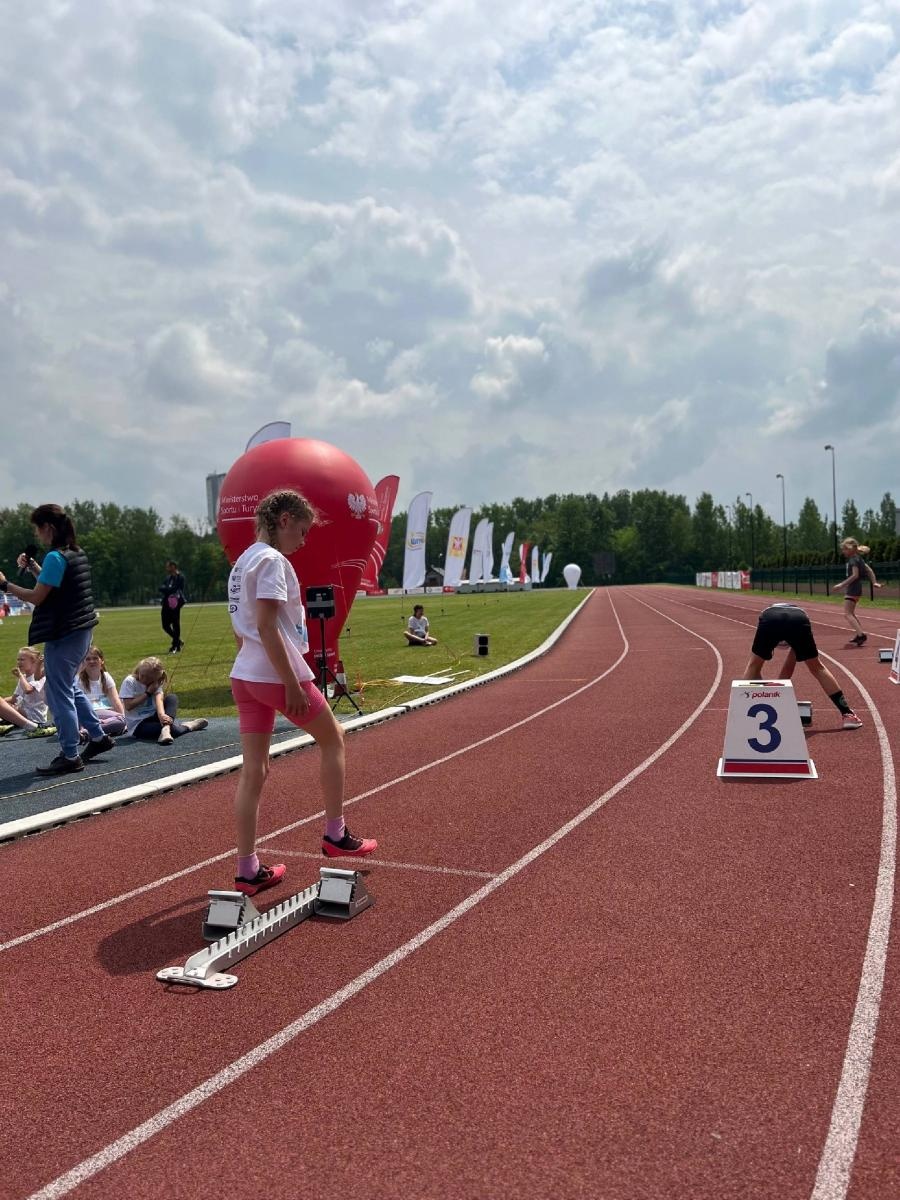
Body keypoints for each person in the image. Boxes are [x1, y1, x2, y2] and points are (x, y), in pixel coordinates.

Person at [227, 488, 377, 897]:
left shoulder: (242, 562)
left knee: (254, 770)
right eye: (303, 531)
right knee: (334, 737)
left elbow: (241, 627)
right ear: (284, 520)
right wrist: (292, 683)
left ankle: (247, 869)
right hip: (275, 674)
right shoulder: (272, 561)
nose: (304, 541)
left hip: (245, 674)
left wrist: (251, 666)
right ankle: (335, 833)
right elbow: (266, 625)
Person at [0, 504, 115, 774]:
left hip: (65, 635)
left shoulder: (56, 556)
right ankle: (98, 737)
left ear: (49, 528)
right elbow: (52, 586)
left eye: (38, 529)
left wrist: (4, 585)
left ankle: (70, 754)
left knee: (58, 694)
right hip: (82, 630)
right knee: (69, 687)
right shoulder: (74, 552)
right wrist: (33, 567)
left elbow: (38, 597)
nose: (37, 535)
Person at [744, 601, 863, 729]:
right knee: (817, 668)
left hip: (771, 618)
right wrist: (776, 695)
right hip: (798, 619)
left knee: (753, 666)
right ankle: (847, 715)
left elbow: (784, 671)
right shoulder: (799, 617)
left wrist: (773, 700)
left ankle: (744, 713)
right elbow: (788, 670)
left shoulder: (767, 614)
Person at [119, 657, 208, 744]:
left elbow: (159, 701)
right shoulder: (129, 681)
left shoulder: (156, 682)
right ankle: (189, 726)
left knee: (172, 698)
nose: (144, 679)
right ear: (139, 670)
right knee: (175, 731)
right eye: (142, 675)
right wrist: (148, 693)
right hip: (138, 725)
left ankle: (166, 728)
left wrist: (162, 716)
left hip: (154, 716)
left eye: (149, 678)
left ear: (156, 678)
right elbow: (128, 706)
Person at [832, 538, 882, 645]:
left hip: (853, 589)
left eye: (845, 549)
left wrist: (841, 585)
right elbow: (869, 570)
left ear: (851, 549)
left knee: (847, 614)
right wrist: (874, 582)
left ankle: (861, 635)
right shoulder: (859, 559)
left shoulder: (853, 560)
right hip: (856, 588)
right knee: (850, 613)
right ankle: (859, 634)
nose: (843, 551)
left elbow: (855, 575)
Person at [0, 646, 55, 737]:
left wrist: (20, 676)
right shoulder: (24, 677)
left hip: (35, 716)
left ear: (34, 661)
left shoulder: (40, 676)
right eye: (18, 660)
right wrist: (2, 701)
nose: (19, 662)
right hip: (24, 712)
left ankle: (34, 727)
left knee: (6, 708)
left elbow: (28, 689)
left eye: (22, 660)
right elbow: (14, 699)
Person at [77, 646, 127, 738]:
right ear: (83, 662)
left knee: (121, 720)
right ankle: (96, 729)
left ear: (102, 661)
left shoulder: (106, 677)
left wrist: (123, 719)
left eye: (95, 658)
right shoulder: (78, 680)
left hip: (107, 714)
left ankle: (87, 732)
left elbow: (115, 701)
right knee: (120, 720)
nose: (92, 661)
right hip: (88, 715)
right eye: (88, 659)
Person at [160, 560, 187, 654]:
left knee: (175, 624)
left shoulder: (180, 577)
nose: (167, 568)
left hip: (175, 603)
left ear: (173, 567)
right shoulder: (168, 578)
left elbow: (176, 589)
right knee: (165, 625)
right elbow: (161, 587)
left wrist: (167, 590)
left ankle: (175, 646)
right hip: (166, 604)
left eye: (168, 566)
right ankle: (178, 641)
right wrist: (168, 589)